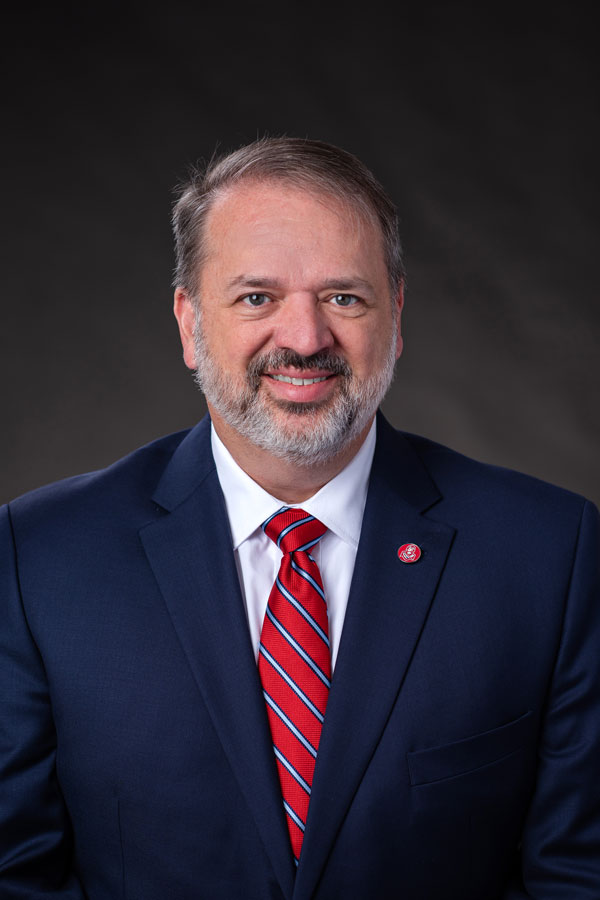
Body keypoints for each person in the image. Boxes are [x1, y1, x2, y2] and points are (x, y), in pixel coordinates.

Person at [1, 137, 599, 900]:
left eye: (343, 296)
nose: (306, 337)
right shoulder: (37, 559)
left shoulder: (549, 555)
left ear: (397, 315)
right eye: (257, 297)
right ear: (189, 323)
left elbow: (579, 875)